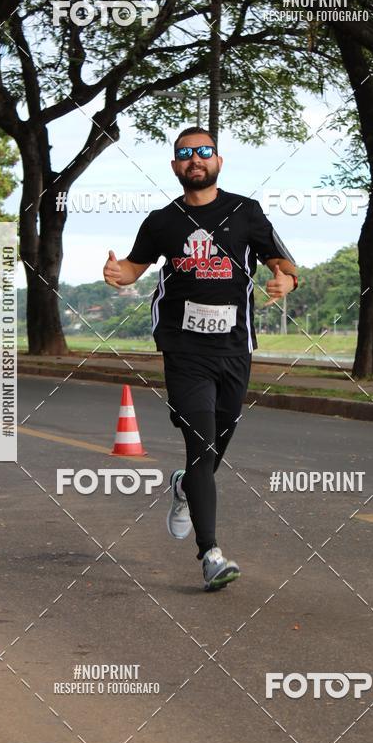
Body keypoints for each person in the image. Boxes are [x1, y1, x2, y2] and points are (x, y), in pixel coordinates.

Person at [103, 127, 298, 591]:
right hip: (183, 348)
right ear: (175, 167)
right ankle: (210, 553)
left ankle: (185, 486)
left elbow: (284, 263)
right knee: (203, 445)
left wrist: (285, 282)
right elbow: (135, 265)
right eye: (186, 154)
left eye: (204, 152)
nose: (195, 159)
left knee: (218, 440)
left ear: (218, 161)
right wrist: (117, 273)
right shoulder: (162, 221)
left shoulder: (246, 213)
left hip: (234, 349)